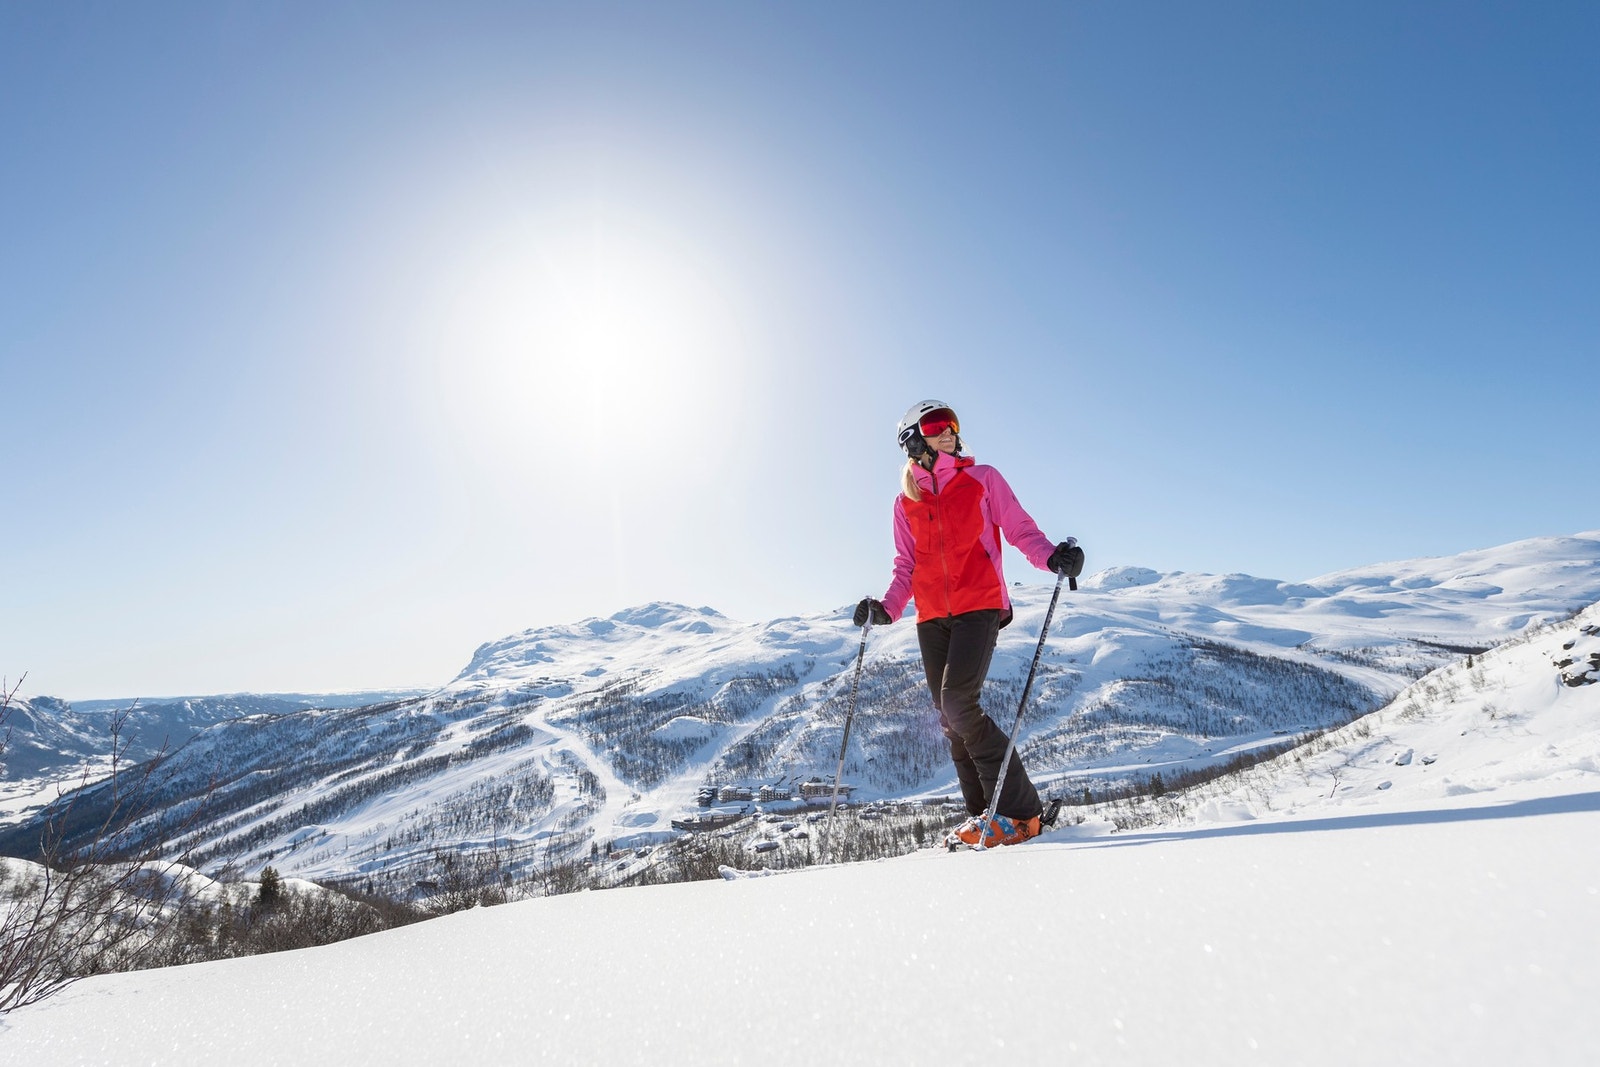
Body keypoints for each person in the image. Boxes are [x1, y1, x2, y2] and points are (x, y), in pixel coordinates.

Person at [854, 400, 1083, 847]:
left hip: (978, 603)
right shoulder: (905, 503)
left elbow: (1019, 529)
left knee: (959, 702)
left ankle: (1022, 814)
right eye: (937, 425)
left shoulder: (982, 479)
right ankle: (984, 815)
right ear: (914, 441)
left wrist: (1052, 556)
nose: (950, 432)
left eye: (952, 425)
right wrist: (886, 608)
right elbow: (906, 566)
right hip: (933, 616)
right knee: (947, 718)